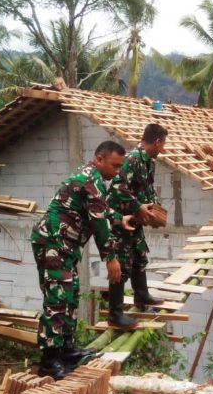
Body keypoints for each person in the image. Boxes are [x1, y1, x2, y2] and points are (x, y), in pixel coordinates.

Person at [30, 141, 135, 379]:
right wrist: (110, 258)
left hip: (64, 248)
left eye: (120, 167)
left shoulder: (94, 180)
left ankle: (65, 349)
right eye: (115, 165)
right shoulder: (89, 180)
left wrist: (120, 218)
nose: (117, 171)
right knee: (57, 299)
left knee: (71, 294)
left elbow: (101, 210)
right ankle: (49, 359)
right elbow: (99, 223)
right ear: (99, 159)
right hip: (53, 244)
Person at [107, 124, 168, 328]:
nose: (163, 149)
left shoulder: (148, 161)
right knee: (121, 265)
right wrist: (137, 207)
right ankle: (115, 314)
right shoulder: (132, 159)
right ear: (157, 141)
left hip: (136, 217)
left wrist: (154, 209)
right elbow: (117, 186)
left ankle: (141, 295)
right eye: (163, 144)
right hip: (120, 220)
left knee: (139, 255)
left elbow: (148, 187)